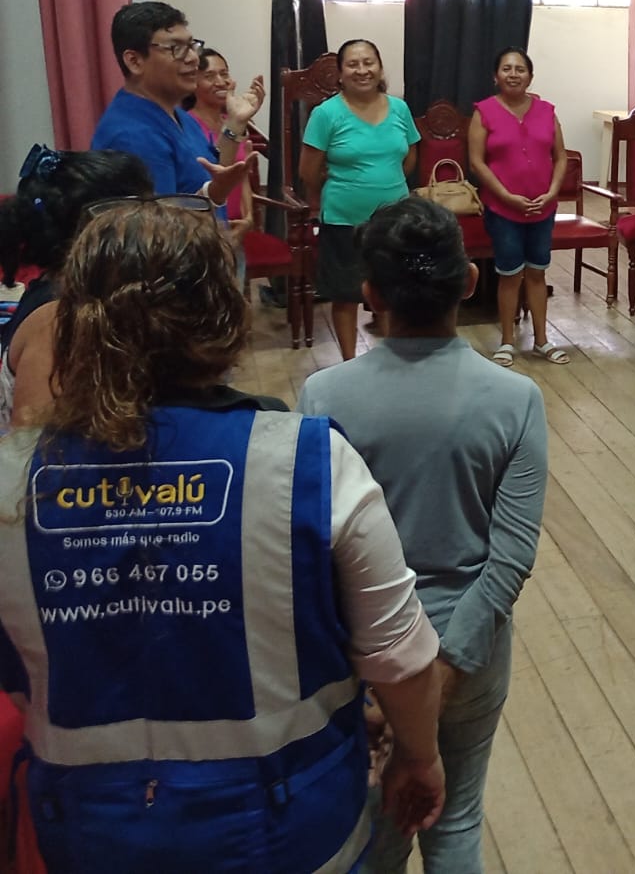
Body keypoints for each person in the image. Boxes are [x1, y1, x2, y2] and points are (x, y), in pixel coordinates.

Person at [0, 202, 445, 872]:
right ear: (225, 315)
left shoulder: (11, 478)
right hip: (293, 831)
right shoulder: (307, 462)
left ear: (74, 323)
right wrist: (420, 754)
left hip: (89, 832)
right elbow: (399, 658)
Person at [299, 197, 547, 872]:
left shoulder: (324, 397)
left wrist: (398, 683)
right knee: (456, 818)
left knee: (378, 831)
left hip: (365, 661)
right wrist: (446, 666)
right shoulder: (516, 399)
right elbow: (512, 555)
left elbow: (317, 554)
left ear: (371, 294)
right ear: (469, 281)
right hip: (473, 647)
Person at [0, 147, 152, 434]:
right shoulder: (56, 320)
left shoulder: (78, 295)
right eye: (144, 213)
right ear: (102, 228)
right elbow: (32, 445)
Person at [300, 38, 420, 361]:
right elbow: (308, 171)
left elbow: (409, 157)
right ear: (339, 74)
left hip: (394, 221)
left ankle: (392, 358)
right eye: (352, 64)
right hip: (343, 220)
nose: (362, 70)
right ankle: (349, 362)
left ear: (380, 68)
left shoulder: (399, 109)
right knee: (346, 293)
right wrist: (348, 185)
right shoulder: (326, 114)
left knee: (392, 290)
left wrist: (385, 182)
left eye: (369, 62)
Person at [92, 1, 263, 209]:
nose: (193, 58)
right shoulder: (132, 136)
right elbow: (161, 226)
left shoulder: (177, 114)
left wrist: (235, 123)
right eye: (176, 48)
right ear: (134, 61)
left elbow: (213, 172)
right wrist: (213, 196)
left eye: (191, 46)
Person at [466, 47, 571, 367]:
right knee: (510, 275)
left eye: (520, 69)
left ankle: (542, 340)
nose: (514, 74)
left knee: (537, 273)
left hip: (543, 208)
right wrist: (505, 195)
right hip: (503, 210)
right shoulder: (484, 112)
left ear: (530, 76)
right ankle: (508, 342)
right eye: (507, 69)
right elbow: (476, 161)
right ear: (495, 76)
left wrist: (552, 192)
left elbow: (560, 156)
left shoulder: (547, 111)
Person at [186, 48, 254, 232]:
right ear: (194, 82)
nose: (220, 82)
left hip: (237, 225)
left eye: (224, 74)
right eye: (209, 76)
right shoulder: (186, 124)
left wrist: (248, 219)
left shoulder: (234, 123)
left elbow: (242, 177)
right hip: (203, 226)